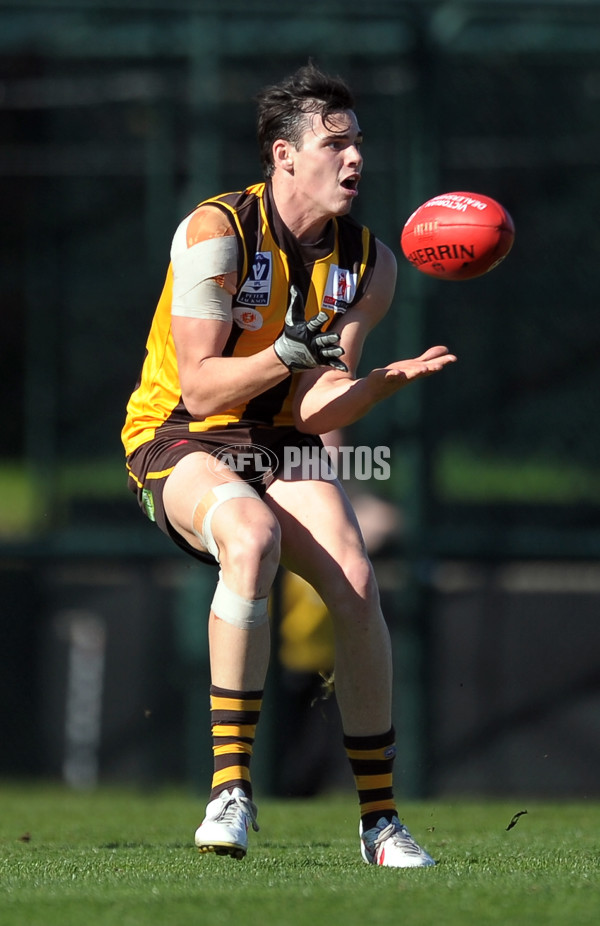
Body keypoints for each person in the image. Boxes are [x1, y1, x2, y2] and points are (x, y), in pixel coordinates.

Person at [121, 62, 456, 868]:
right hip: (180, 433)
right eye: (335, 144)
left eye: (360, 144)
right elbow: (200, 390)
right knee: (248, 537)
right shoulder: (217, 232)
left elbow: (314, 407)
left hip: (280, 437)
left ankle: (381, 823)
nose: (355, 161)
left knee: (358, 580)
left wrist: (374, 387)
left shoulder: (369, 264)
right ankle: (230, 792)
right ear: (284, 155)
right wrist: (283, 351)